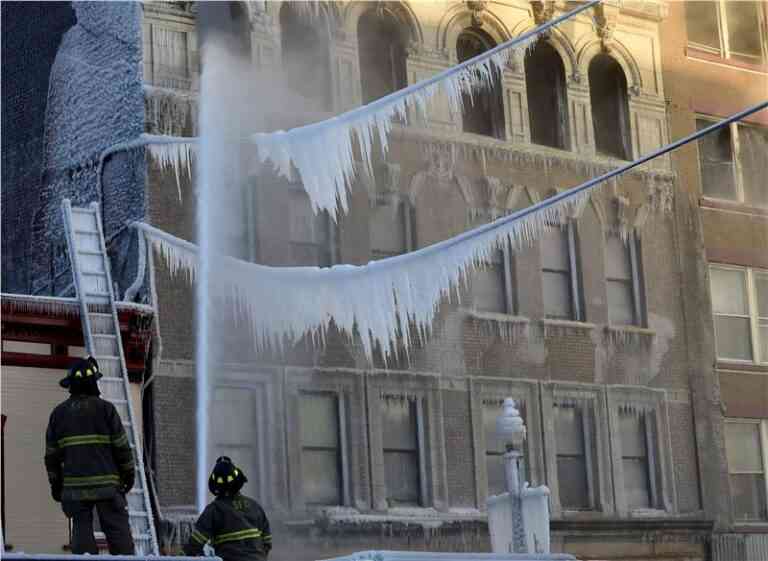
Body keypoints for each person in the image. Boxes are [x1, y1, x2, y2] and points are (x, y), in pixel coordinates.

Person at [44, 356, 135, 554]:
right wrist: (129, 477)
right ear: (94, 382)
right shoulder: (106, 410)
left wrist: (57, 486)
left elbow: (51, 457)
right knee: (119, 535)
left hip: (74, 490)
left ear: (71, 385)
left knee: (81, 533)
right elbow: (122, 449)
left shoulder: (58, 414)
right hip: (108, 489)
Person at [184, 456, 272, 561]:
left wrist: (179, 556)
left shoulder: (214, 510)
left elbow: (195, 543)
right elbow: (267, 541)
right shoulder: (254, 506)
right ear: (238, 481)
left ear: (215, 486)